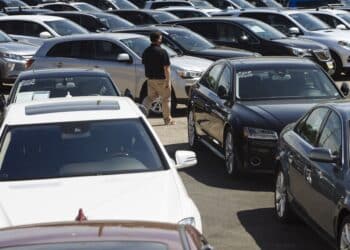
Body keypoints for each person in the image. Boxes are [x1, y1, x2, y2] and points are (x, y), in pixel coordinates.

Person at [142, 31, 175, 125]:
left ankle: (142, 115)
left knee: (149, 98)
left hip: (150, 79)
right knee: (166, 99)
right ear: (159, 39)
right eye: (161, 38)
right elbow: (167, 68)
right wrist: (168, 82)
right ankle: (167, 119)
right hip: (161, 79)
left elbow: (144, 64)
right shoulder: (162, 52)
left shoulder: (146, 51)